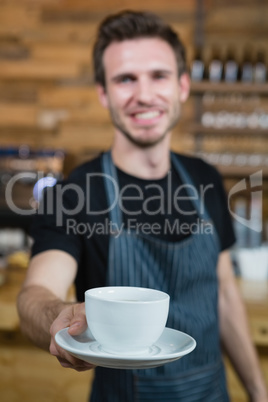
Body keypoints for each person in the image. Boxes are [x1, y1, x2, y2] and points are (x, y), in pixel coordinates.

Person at [17, 10, 267, 402]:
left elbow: (222, 292)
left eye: (159, 75)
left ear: (183, 85)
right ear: (103, 93)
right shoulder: (75, 192)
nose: (145, 94)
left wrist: (258, 391)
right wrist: (57, 317)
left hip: (211, 393)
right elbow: (35, 292)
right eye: (125, 79)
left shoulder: (205, 178)